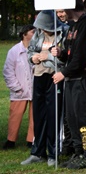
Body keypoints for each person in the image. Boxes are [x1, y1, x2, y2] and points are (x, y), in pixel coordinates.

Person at [51, 0, 86, 169]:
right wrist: (61, 53)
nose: (60, 13)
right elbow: (71, 54)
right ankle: (78, 151)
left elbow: (81, 57)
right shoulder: (73, 26)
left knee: (84, 119)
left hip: (83, 78)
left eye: (62, 9)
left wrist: (63, 72)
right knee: (72, 118)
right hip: (71, 79)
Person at [21, 12, 65, 166]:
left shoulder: (63, 33)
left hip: (54, 76)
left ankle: (53, 153)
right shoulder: (38, 34)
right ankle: (38, 152)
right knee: (38, 115)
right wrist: (33, 58)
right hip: (39, 76)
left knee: (53, 116)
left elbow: (65, 57)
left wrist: (49, 57)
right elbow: (31, 51)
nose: (42, 30)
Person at [4, 26, 35, 149]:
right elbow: (8, 71)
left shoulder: (36, 49)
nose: (35, 34)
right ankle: (11, 140)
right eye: (32, 32)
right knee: (15, 115)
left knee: (35, 115)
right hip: (20, 89)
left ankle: (31, 140)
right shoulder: (14, 51)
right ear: (24, 34)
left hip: (34, 88)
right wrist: (16, 87)